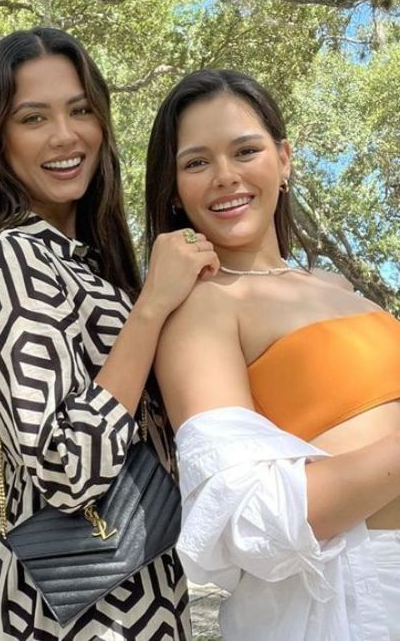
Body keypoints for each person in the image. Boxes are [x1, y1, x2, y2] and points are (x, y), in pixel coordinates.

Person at [0, 27, 219, 640]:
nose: (65, 136)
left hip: (130, 578)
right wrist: (150, 309)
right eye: (33, 118)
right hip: (71, 610)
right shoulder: (10, 259)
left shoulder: (84, 259)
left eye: (80, 110)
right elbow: (67, 468)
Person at [145, 68, 400, 641]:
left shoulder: (338, 286)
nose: (225, 177)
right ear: (175, 188)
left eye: (245, 150)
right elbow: (248, 515)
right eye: (196, 162)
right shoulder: (200, 310)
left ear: (283, 159)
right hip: (353, 599)